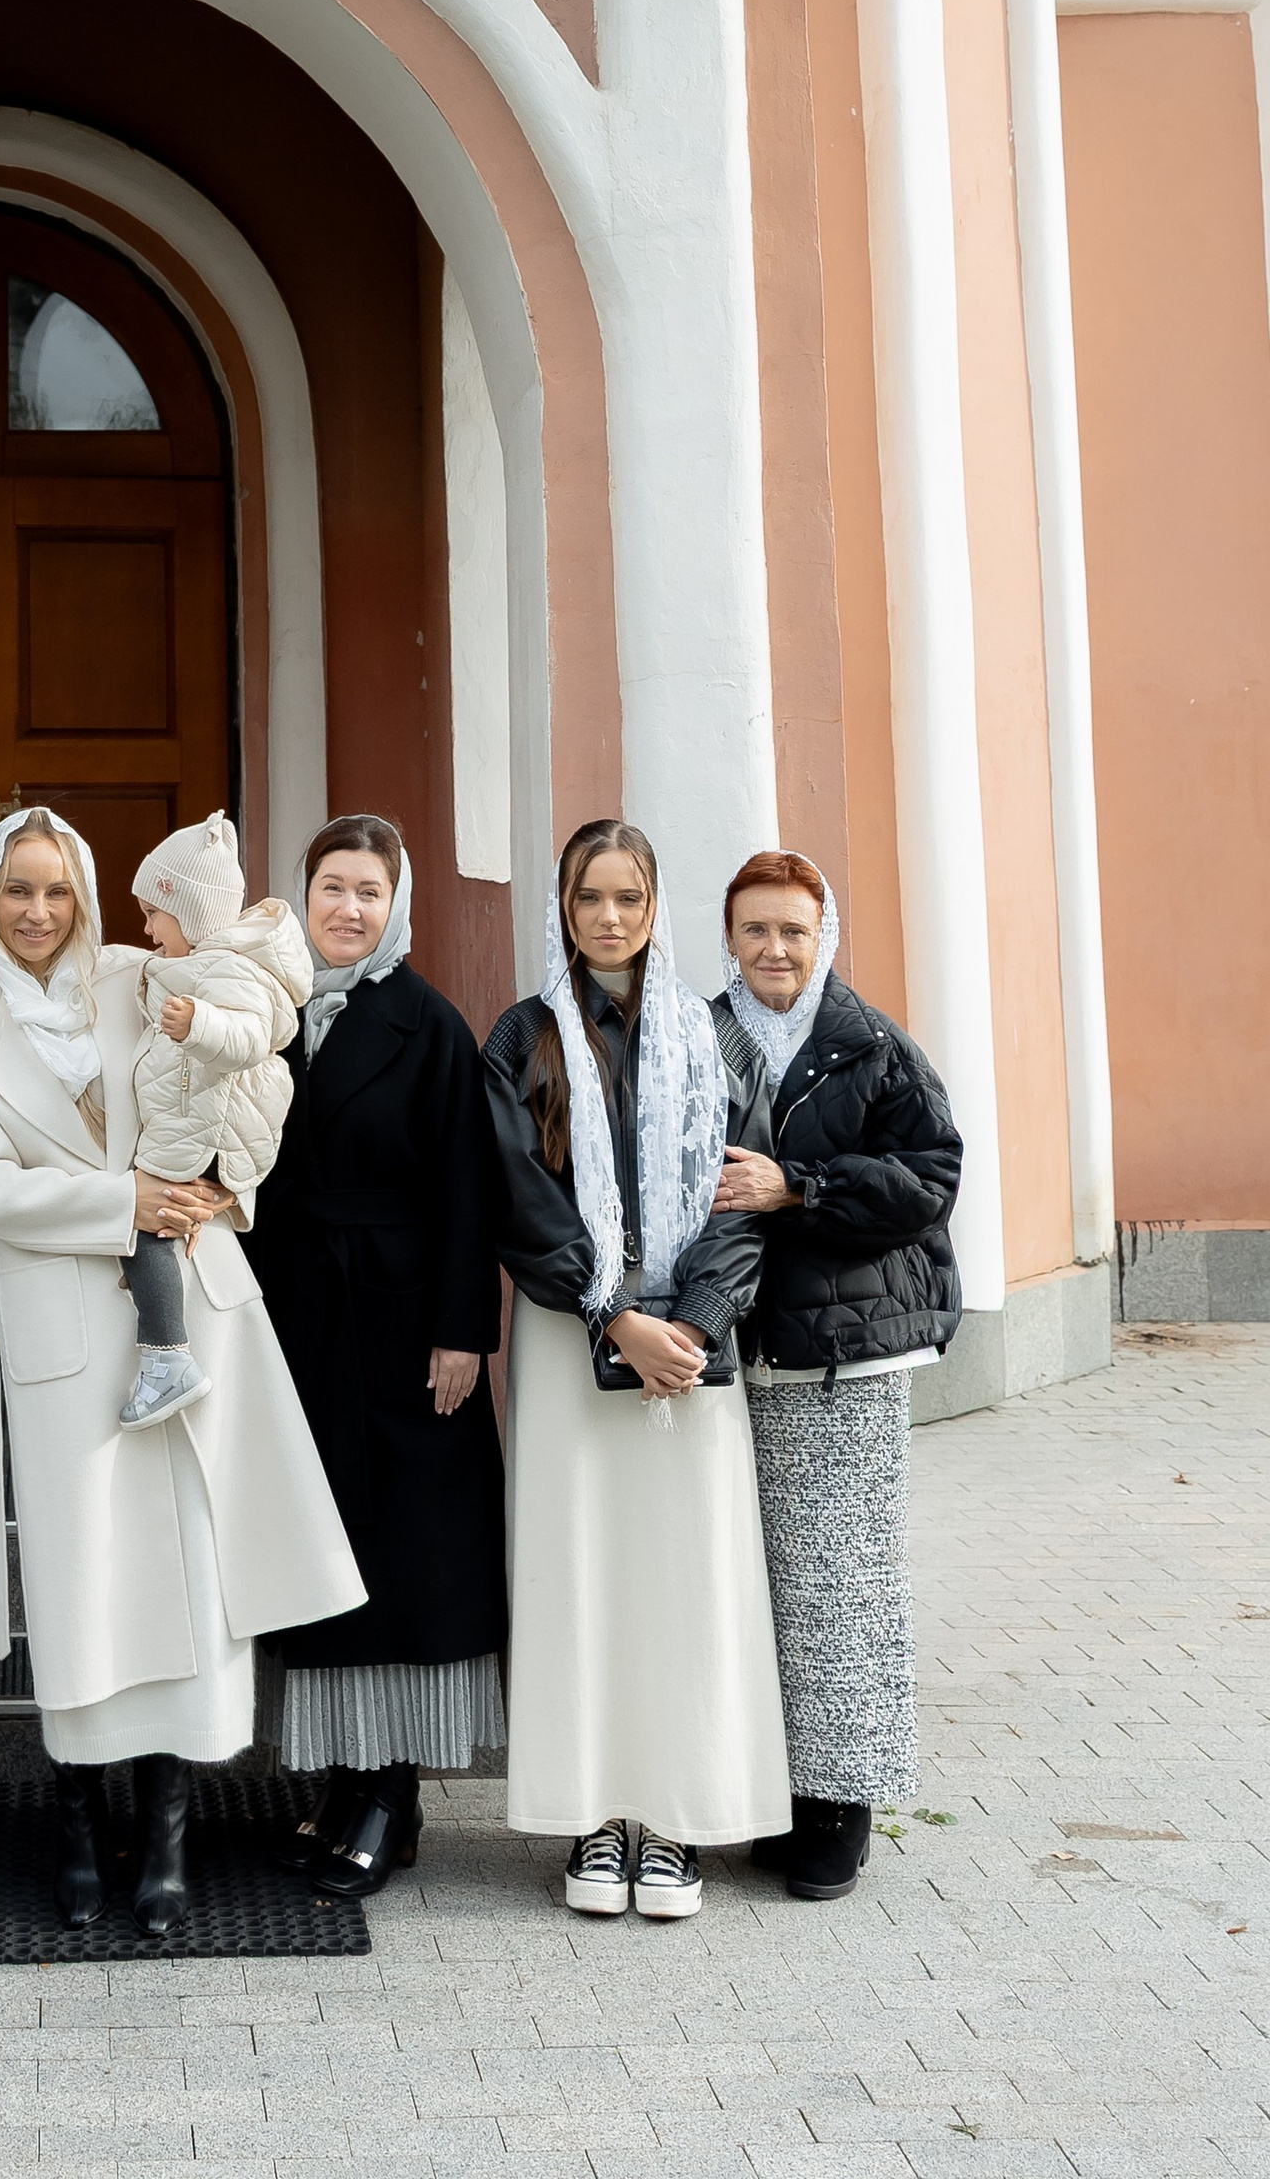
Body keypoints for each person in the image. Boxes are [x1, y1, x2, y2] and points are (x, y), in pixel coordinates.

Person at [0, 804, 363, 1935]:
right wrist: (123, 1203)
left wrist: (218, 1179)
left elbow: (249, 1041)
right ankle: (77, 1820)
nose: (36, 911)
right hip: (61, 1318)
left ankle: (164, 1831)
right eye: (16, 890)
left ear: (85, 895)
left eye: (56, 889)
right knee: (85, 1577)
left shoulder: (135, 974)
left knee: (188, 1572)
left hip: (191, 1308)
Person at [483, 815, 788, 1922]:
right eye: (587, 901)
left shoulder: (714, 1042)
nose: (608, 920)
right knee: (585, 1579)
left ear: (655, 908)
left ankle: (674, 1820)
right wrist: (615, 1316)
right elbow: (516, 1200)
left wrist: (693, 1325)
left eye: (628, 899)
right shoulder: (524, 1038)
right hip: (579, 1349)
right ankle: (598, 1816)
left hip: (690, 1364)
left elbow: (743, 1196)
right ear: (561, 911)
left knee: (681, 1580)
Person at [252, 811, 508, 1905]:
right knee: (318, 1545)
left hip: (402, 1325)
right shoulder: (262, 1012)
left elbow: (467, 1186)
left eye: (367, 890)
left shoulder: (427, 1024)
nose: (347, 909)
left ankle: (388, 1791)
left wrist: (461, 1330)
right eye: (330, 889)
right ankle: (343, 1780)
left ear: (394, 903)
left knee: (400, 1556)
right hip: (294, 1315)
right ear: (301, 897)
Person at [711, 847, 962, 1905]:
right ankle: (779, 1796)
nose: (774, 947)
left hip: (844, 1357)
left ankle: (840, 1813)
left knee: (838, 1586)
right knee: (762, 1588)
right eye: (756, 927)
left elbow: (930, 1180)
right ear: (729, 935)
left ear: (824, 942)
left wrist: (798, 1189)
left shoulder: (868, 1043)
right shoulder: (701, 1033)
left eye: (793, 931)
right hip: (735, 1352)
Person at [119, 813, 313, 1426]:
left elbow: (252, 1036)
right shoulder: (201, 965)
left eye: (155, 912)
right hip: (189, 1116)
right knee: (151, 1232)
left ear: (193, 914)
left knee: (143, 1230)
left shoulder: (230, 969)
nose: (146, 927)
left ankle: (167, 1358)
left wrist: (198, 1024)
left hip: (200, 1128)